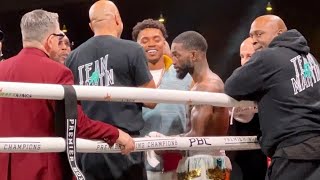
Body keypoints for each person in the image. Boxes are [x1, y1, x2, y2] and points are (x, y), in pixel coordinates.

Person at [0, 9, 135, 180]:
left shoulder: (1, 69)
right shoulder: (57, 72)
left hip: (5, 169)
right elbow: (76, 124)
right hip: (42, 169)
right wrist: (116, 133)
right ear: (50, 40)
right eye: (58, 37)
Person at [65, 1, 156, 180]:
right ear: (117, 19)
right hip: (125, 145)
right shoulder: (133, 49)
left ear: (91, 25)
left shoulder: (73, 57)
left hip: (88, 146)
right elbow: (151, 100)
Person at [225, 15, 320, 180]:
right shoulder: (310, 59)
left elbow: (232, 86)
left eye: (259, 34)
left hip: (293, 152)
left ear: (279, 33)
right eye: (251, 35)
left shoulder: (268, 57)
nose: (253, 40)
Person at [132, 19, 192, 180]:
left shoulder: (185, 74)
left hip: (178, 155)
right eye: (144, 40)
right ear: (136, 46)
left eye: (156, 39)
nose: (151, 44)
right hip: (140, 156)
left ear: (164, 42)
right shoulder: (129, 75)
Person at [170, 31, 231, 180]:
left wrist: (164, 143)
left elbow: (198, 135)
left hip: (206, 163)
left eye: (176, 55)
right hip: (201, 160)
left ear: (193, 55)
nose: (173, 61)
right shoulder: (197, 84)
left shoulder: (208, 86)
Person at [228, 37, 267, 180]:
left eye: (249, 56)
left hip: (262, 152)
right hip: (236, 152)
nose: (244, 61)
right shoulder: (236, 80)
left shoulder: (271, 80)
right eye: (242, 56)